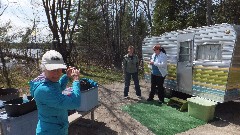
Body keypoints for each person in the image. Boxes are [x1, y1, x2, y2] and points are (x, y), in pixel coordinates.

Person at [29, 50, 81, 135]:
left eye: (59, 69)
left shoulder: (45, 80)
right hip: (50, 131)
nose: (56, 73)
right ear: (44, 68)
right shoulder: (44, 90)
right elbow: (75, 102)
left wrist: (66, 77)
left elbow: (58, 88)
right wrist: (76, 80)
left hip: (58, 128)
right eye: (52, 69)